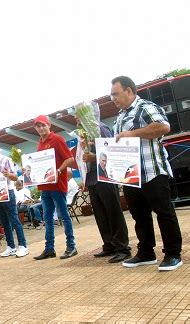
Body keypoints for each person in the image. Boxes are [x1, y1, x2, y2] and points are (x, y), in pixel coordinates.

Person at [111, 75, 183, 271]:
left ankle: (173, 253)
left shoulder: (145, 107)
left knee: (164, 213)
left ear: (128, 90)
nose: (114, 99)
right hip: (131, 176)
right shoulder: (119, 116)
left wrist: (132, 133)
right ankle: (146, 252)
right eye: (111, 96)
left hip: (152, 171)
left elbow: (163, 127)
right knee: (139, 215)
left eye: (116, 94)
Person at [82, 120, 131, 263]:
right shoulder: (83, 133)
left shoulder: (100, 128)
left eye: (80, 114)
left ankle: (122, 248)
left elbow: (112, 150)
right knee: (100, 215)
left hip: (106, 177)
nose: (77, 118)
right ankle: (109, 245)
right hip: (92, 179)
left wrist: (94, 157)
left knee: (113, 212)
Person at [32, 115, 77, 261]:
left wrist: (59, 170)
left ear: (49, 125)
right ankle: (49, 248)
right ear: (35, 128)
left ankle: (71, 246)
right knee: (47, 218)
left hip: (57, 185)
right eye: (38, 126)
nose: (41, 128)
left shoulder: (57, 139)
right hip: (45, 187)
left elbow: (70, 159)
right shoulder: (39, 143)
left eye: (43, 125)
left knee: (63, 215)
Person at [0, 140, 28, 258]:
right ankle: (11, 246)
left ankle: (23, 246)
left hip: (8, 193)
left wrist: (8, 175)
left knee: (14, 219)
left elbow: (15, 177)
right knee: (4, 222)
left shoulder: (6, 159)